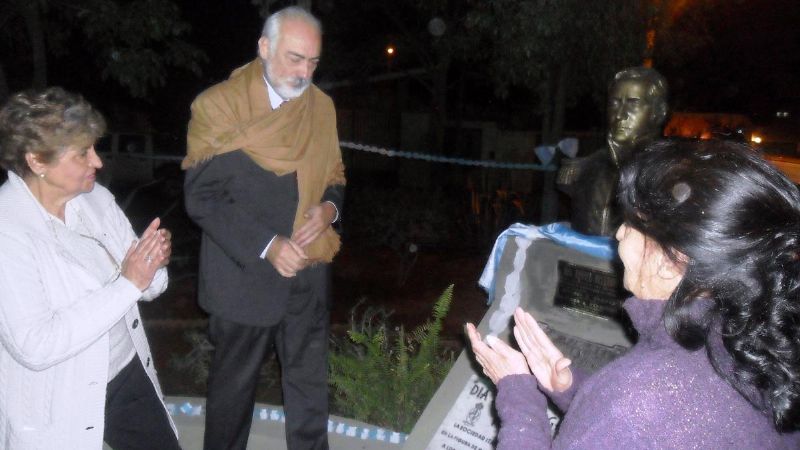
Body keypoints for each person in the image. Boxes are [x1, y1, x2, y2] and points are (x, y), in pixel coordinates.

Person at [468, 139, 800, 448]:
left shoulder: (636, 399)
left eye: (633, 223)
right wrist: (572, 388)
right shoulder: (753, 349)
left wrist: (519, 395)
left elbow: (642, 419)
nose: (620, 233)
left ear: (672, 261)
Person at [182, 6, 345, 450]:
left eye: (313, 62)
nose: (304, 71)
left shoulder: (322, 108)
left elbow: (334, 175)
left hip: (309, 268)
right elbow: (202, 197)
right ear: (264, 47)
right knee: (233, 394)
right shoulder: (219, 107)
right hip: (244, 275)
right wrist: (269, 244)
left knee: (310, 388)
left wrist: (329, 209)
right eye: (295, 58)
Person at [0, 87, 178, 449]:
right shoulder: (8, 230)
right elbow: (35, 345)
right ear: (37, 161)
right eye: (83, 153)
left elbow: (148, 285)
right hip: (60, 393)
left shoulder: (95, 199)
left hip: (125, 371)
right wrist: (129, 283)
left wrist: (151, 263)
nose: (97, 162)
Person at [557, 67, 668, 236]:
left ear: (658, 113)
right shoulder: (585, 168)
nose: (620, 115)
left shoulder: (670, 173)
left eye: (633, 103)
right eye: (615, 103)